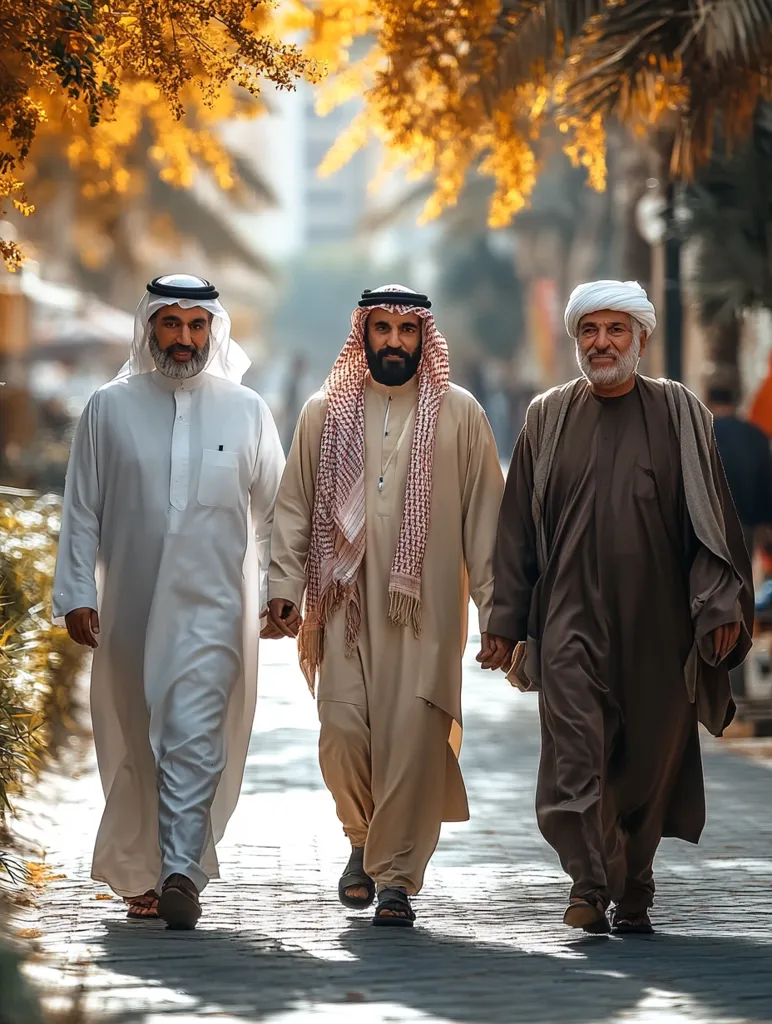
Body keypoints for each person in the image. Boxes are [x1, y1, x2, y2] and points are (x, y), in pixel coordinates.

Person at [486, 280, 753, 936]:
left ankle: (632, 883)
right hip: (569, 621)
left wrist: (719, 610)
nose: (601, 343)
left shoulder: (678, 414)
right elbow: (516, 528)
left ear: (641, 338)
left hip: (660, 629)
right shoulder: (548, 418)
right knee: (576, 754)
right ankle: (590, 882)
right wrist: (503, 624)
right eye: (589, 331)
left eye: (615, 330)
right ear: (576, 338)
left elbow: (713, 527)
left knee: (645, 767)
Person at [264, 285, 505, 927]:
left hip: (427, 616)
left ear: (424, 337)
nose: (394, 341)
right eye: (382, 328)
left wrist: (499, 614)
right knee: (343, 733)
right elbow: (293, 509)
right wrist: (283, 590)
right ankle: (361, 838)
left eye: (406, 329)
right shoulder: (325, 411)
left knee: (413, 743)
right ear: (363, 333)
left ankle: (395, 880)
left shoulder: (460, 414)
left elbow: (487, 525)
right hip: (342, 611)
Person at [53, 275, 284, 930]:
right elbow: (83, 511)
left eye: (196, 325)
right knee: (135, 740)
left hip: (214, 609)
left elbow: (277, 515)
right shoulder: (108, 407)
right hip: (129, 606)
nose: (184, 339)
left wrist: (279, 591)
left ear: (214, 330)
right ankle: (143, 872)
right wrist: (75, 591)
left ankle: (181, 870)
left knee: (194, 733)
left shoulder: (247, 412)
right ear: (150, 327)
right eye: (171, 324)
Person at [708, 385, 772, 561]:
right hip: (745, 525)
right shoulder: (756, 436)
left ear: (709, 402)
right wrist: (765, 522)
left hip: (707, 525)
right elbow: (765, 482)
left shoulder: (699, 434)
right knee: (740, 579)